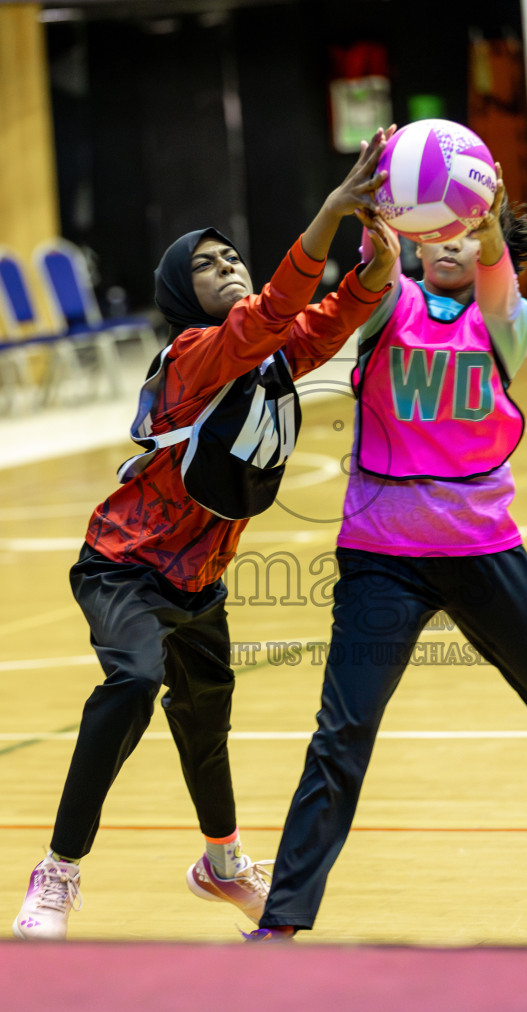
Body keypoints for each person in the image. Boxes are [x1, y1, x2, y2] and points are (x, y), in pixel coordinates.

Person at [245, 164, 527, 941]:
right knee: (341, 734)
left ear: (487, 247)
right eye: (432, 234)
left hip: (482, 549)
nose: (446, 244)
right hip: (381, 556)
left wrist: (484, 213)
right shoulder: (388, 305)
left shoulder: (508, 323)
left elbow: (495, 276)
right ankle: (281, 925)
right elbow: (371, 279)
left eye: (464, 234)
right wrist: (374, 230)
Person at [12, 127, 401, 941]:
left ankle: (221, 864)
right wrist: (331, 207)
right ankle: (57, 873)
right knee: (132, 683)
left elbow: (332, 317)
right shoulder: (194, 354)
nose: (228, 266)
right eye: (207, 262)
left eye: (233, 257)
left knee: (205, 726)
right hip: (123, 567)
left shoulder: (266, 355)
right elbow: (279, 310)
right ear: (182, 296)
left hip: (198, 582)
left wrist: (375, 252)